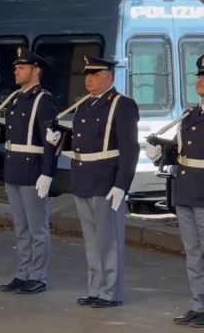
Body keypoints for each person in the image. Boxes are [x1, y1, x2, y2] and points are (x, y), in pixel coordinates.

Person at [47, 55, 138, 308]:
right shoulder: (84, 105)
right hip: (83, 178)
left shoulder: (122, 104)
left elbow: (130, 148)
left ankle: (110, 292)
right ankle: (96, 288)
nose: (89, 79)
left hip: (106, 180)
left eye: (95, 75)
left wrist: (121, 185)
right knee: (91, 240)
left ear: (109, 77)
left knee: (108, 240)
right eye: (87, 75)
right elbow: (82, 143)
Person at [0, 47, 58, 295]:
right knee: (21, 227)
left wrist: (48, 173)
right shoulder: (16, 98)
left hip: (32, 169)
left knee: (37, 228)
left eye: (21, 67)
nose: (16, 71)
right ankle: (23, 272)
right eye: (16, 67)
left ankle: (37, 276)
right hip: (14, 169)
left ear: (36, 71)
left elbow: (50, 141)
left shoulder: (43, 100)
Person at [149, 54, 204, 325]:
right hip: (186, 190)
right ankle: (199, 304)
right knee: (193, 253)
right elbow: (180, 153)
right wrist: (159, 153)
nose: (201, 80)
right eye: (199, 76)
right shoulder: (190, 115)